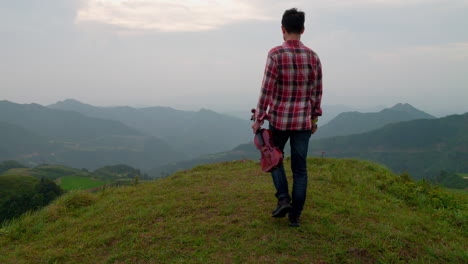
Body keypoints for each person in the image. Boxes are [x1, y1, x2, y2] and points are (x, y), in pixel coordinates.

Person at [252, 8, 323, 227]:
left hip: (279, 120)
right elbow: (316, 92)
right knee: (300, 168)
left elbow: (267, 89)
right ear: (302, 29)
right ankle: (296, 216)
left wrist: (259, 118)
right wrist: (314, 118)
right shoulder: (313, 57)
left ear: (283, 29)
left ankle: (283, 198)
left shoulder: (275, 54)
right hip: (302, 122)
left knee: (274, 159)